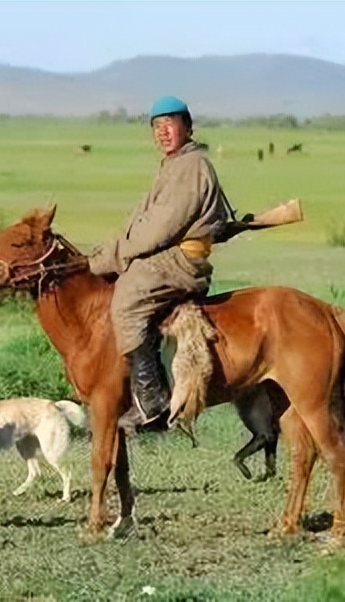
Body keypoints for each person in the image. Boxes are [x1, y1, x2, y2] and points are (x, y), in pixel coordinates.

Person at [88, 95, 235, 433]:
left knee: (127, 298)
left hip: (181, 259)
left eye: (170, 124)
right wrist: (108, 250)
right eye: (157, 126)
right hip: (170, 251)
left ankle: (152, 400)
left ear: (188, 127)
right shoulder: (175, 164)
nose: (163, 132)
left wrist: (112, 258)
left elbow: (160, 228)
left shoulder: (191, 166)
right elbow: (143, 221)